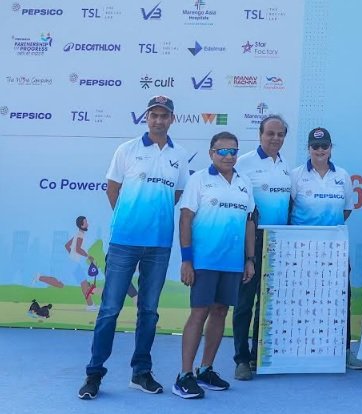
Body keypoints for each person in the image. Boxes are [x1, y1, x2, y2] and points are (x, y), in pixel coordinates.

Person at [79, 95, 191, 400]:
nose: (159, 120)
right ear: (146, 118)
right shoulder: (126, 149)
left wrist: (153, 218)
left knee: (149, 311)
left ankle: (141, 373)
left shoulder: (180, 154)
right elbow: (113, 189)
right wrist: (129, 218)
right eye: (154, 115)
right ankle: (94, 374)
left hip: (159, 244)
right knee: (109, 309)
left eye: (164, 116)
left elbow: (177, 192)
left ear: (172, 119)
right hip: (124, 242)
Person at [173, 132, 256, 399]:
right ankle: (184, 375)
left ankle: (205, 369)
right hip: (204, 261)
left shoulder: (245, 182)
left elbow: (249, 222)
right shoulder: (198, 179)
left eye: (233, 151)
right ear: (211, 153)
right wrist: (187, 260)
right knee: (199, 313)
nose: (229, 156)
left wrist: (250, 259)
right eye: (222, 151)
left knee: (220, 312)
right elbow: (185, 219)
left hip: (232, 262)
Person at [289, 127, 359, 369]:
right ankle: (298, 349)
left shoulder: (342, 175)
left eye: (324, 146)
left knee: (340, 299)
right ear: (308, 148)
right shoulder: (296, 175)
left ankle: (344, 351)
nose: (320, 150)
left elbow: (346, 210)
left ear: (331, 148)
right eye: (315, 146)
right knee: (301, 298)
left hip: (334, 249)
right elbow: (289, 210)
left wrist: (328, 231)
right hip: (302, 249)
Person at [231, 115, 292, 381]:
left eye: (280, 134)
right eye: (270, 133)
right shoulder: (243, 163)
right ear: (260, 134)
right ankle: (241, 359)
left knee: (268, 302)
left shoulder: (286, 166)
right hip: (251, 240)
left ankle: (259, 354)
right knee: (245, 302)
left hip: (278, 241)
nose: (275, 139)